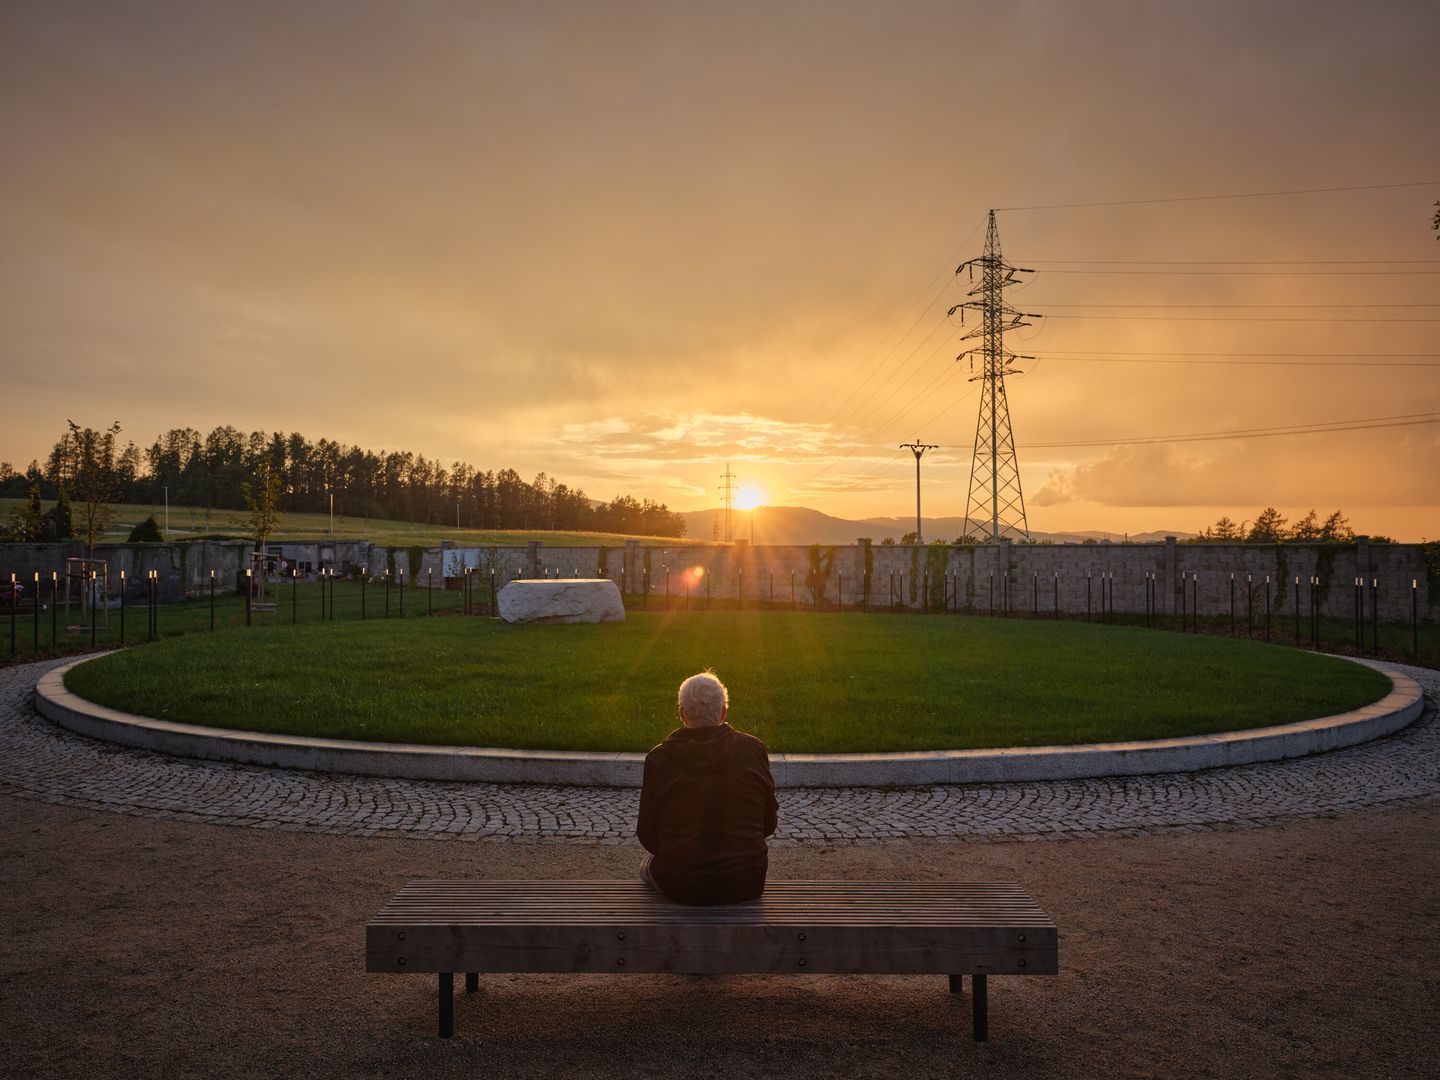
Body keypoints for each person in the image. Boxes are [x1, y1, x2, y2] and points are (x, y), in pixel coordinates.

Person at [637, 671, 778, 905]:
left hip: (682, 885)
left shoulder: (659, 759)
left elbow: (648, 835)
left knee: (645, 866)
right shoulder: (753, 750)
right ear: (723, 712)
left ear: (682, 714)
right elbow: (768, 824)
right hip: (746, 881)